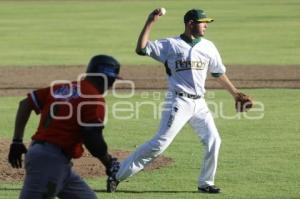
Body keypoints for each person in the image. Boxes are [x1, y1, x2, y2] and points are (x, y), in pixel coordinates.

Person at [106, 8, 252, 194]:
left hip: (200, 104)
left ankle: (205, 183)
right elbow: (141, 48)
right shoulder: (171, 45)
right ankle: (117, 174)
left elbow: (218, 73)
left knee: (214, 140)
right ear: (190, 23)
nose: (206, 25)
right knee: (159, 144)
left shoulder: (208, 46)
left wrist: (235, 93)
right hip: (178, 102)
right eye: (202, 22)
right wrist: (150, 21)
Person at [8, 55, 121, 199]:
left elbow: (25, 103)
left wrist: (17, 140)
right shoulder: (94, 99)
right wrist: (108, 162)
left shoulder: (62, 87)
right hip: (50, 162)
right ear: (107, 78)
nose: (111, 85)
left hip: (53, 160)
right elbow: (93, 139)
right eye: (112, 80)